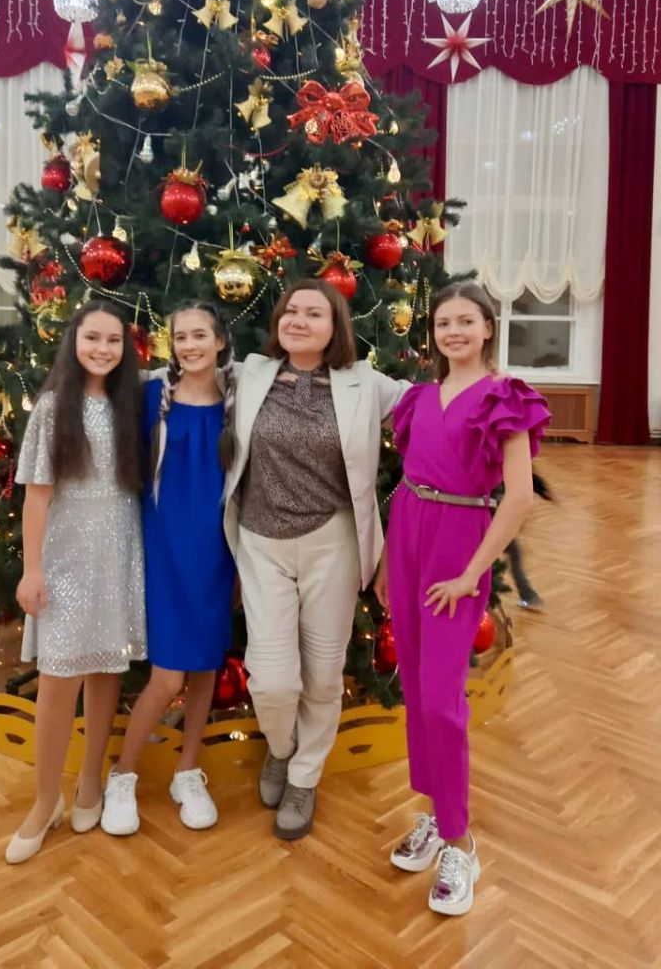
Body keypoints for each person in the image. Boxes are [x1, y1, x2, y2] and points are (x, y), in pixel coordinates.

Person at [374, 283, 550, 916]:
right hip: (410, 533)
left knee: (442, 700)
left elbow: (519, 499)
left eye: (466, 321)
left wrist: (473, 573)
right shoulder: (420, 397)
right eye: (444, 322)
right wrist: (388, 560)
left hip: (459, 544)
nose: (453, 331)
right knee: (416, 689)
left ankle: (460, 841)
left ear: (487, 328)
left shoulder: (506, 396)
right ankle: (435, 812)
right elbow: (406, 483)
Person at [224, 279, 408, 841]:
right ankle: (281, 749)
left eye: (314, 314)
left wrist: (497, 394)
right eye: (291, 311)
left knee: (324, 676)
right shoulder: (249, 374)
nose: (299, 321)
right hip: (261, 542)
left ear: (335, 328)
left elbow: (430, 405)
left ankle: (304, 777)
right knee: (273, 681)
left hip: (334, 542)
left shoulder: (364, 383)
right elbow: (183, 375)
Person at [5, 301, 146, 864]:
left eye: (114, 341)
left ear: (126, 349)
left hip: (118, 556)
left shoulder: (130, 405)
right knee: (59, 678)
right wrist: (32, 568)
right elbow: (36, 496)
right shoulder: (52, 408)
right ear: (74, 340)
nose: (103, 349)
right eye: (93, 338)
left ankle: (91, 779)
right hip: (65, 561)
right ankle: (46, 800)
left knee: (106, 670)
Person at [102, 301, 238, 836]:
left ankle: (187, 771)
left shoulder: (237, 400)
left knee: (205, 666)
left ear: (220, 341)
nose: (190, 346)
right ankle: (122, 775)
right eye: (181, 337)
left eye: (200, 335)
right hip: (164, 549)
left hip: (216, 549)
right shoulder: (151, 396)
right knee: (166, 677)